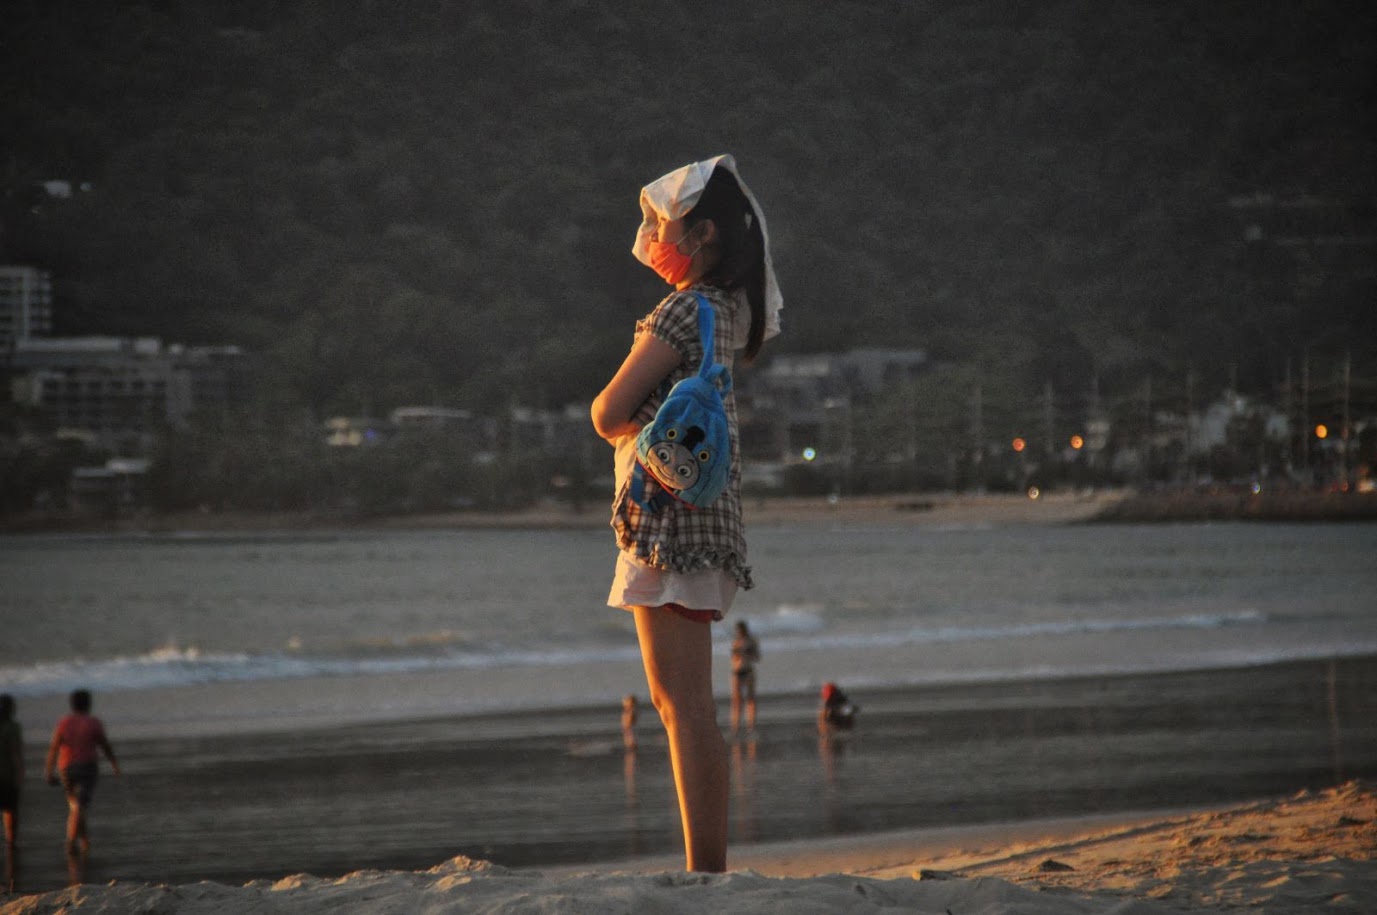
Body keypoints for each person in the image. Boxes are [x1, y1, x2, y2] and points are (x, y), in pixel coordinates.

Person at [591, 154, 782, 873]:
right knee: (692, 707)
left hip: (664, 524)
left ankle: (706, 869)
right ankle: (708, 864)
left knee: (681, 708)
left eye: (665, 227)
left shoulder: (678, 309)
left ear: (701, 234)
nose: (654, 239)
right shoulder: (731, 312)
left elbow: (607, 411)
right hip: (708, 519)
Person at [43, 689, 120, 864]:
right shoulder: (93, 723)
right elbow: (104, 745)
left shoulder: (63, 723)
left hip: (66, 768)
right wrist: (114, 764)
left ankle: (84, 842)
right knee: (79, 806)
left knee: (76, 806)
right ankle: (71, 841)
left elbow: (54, 747)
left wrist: (49, 771)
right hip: (87, 768)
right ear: (88, 704)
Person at [1, 695, 21, 892]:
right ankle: (10, 841)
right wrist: (20, 774)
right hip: (6, 777)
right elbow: (15, 752)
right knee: (10, 811)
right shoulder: (12, 727)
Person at [730, 621, 761, 734]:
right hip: (737, 672)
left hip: (748, 671)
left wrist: (746, 653)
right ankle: (735, 727)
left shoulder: (751, 641)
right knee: (736, 701)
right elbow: (733, 658)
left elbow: (757, 657)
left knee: (750, 699)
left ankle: (751, 726)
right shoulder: (735, 642)